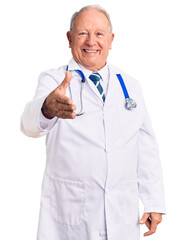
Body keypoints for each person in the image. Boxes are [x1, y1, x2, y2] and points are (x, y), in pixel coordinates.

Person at [21, 5, 166, 240]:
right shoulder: (54, 79)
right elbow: (29, 124)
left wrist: (154, 200)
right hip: (70, 219)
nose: (91, 41)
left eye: (99, 34)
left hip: (122, 215)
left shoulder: (129, 85)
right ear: (69, 38)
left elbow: (145, 146)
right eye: (82, 33)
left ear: (111, 40)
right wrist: (47, 108)